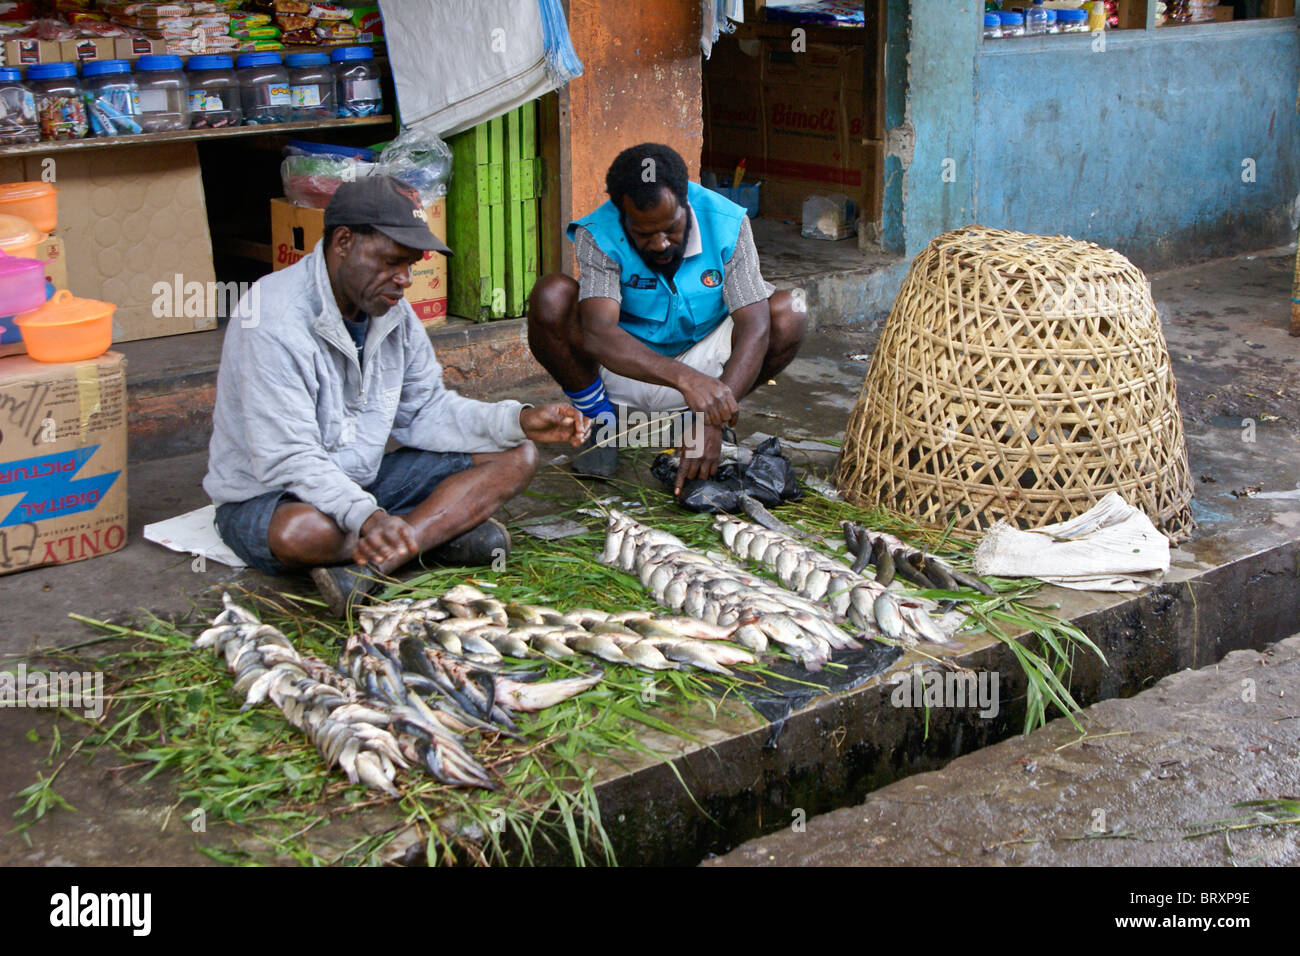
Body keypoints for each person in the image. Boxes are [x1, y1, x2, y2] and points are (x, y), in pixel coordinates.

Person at [204, 176, 587, 615]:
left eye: (411, 264)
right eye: (391, 261)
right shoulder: (271, 319)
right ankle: (431, 535)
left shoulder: (392, 312)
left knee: (516, 455)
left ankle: (376, 563)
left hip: (361, 483)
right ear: (344, 242)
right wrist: (367, 516)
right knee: (304, 533)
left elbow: (425, 411)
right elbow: (288, 456)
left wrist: (516, 420)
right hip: (272, 495)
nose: (405, 280)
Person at [527, 142, 805, 489]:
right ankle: (598, 421)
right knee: (551, 296)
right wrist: (686, 380)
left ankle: (708, 414)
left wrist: (711, 420)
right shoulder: (598, 232)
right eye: (643, 233)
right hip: (625, 364)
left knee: (790, 310)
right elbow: (599, 333)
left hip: (707, 364)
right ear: (622, 213)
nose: (659, 243)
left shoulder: (727, 222)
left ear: (686, 201)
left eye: (671, 228)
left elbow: (756, 327)